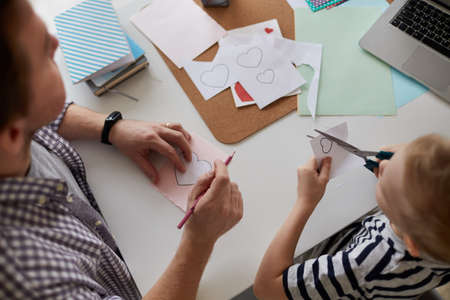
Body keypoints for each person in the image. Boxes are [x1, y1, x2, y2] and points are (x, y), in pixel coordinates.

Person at [0, 0, 243, 299]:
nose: (56, 42)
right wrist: (199, 240)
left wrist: (109, 127)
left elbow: (33, 111)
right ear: (11, 135)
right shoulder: (34, 280)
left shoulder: (11, 130)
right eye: (42, 54)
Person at [254, 134, 450, 299]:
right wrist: (414, 162)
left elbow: (266, 289)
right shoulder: (436, 240)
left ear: (411, 242)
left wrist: (305, 201)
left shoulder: (364, 265)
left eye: (387, 184)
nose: (384, 166)